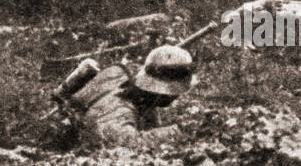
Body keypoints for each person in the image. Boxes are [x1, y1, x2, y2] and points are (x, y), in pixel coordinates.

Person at [54, 44, 195, 148]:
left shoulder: (123, 78)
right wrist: (178, 131)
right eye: (173, 94)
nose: (175, 97)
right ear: (161, 93)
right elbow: (133, 144)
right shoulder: (119, 111)